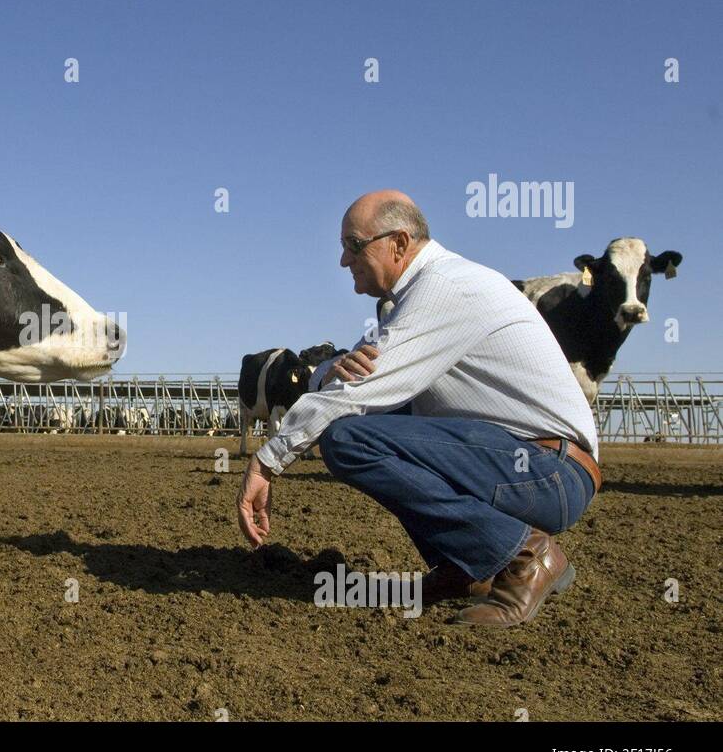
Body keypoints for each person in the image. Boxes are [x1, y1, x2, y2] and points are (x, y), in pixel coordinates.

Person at [236, 190, 601, 627]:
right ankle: (468, 564)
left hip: (548, 471)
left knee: (347, 437)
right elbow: (345, 376)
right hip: (524, 464)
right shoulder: (412, 300)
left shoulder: (445, 288)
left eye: (353, 245)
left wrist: (266, 461)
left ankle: (527, 554)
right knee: (362, 425)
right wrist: (334, 366)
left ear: (399, 243)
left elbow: (359, 390)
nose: (342, 261)